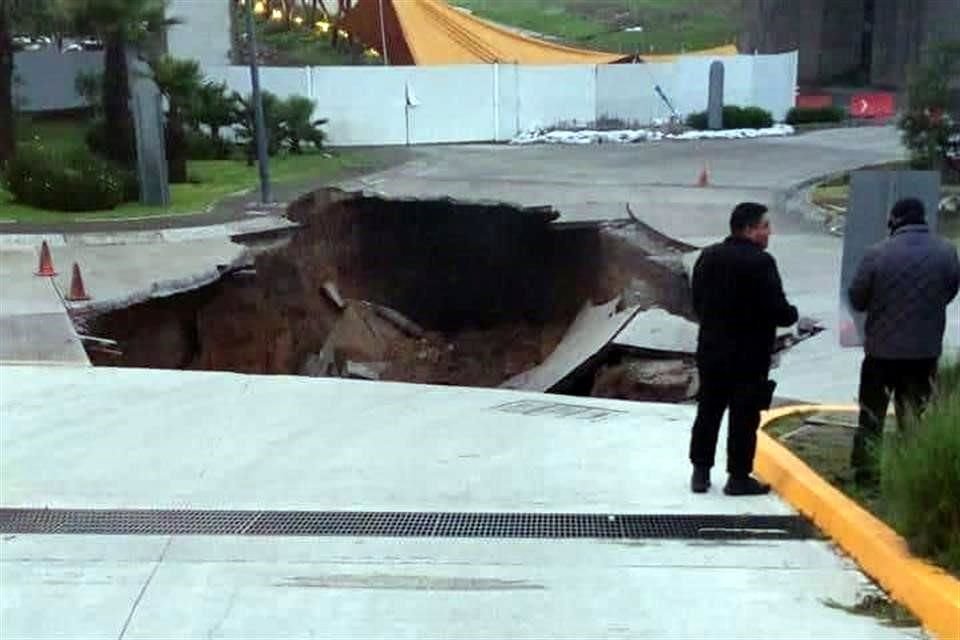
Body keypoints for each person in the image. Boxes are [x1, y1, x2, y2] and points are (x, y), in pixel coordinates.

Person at [689, 202, 799, 495]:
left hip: (712, 350)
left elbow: (697, 301)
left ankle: (700, 473)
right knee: (744, 415)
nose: (769, 232)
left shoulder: (708, 256)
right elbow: (777, 308)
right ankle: (738, 477)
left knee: (709, 410)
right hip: (749, 354)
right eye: (765, 226)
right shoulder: (761, 263)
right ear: (749, 229)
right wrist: (792, 315)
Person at [848, 197, 960, 482]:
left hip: (881, 353)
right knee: (913, 416)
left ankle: (867, 472)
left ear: (894, 220)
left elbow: (857, 299)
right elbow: (949, 292)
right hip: (924, 352)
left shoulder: (877, 253)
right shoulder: (947, 252)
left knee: (872, 415)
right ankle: (911, 474)